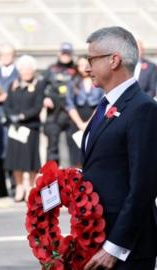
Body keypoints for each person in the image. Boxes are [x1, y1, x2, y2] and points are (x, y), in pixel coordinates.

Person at [81, 26, 157, 270]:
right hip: (97, 237)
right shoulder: (104, 106)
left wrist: (115, 247)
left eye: (91, 59)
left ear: (114, 60)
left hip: (125, 248)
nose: (86, 67)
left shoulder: (142, 108)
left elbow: (143, 186)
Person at [3, 55, 43, 202]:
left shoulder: (39, 85)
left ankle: (30, 188)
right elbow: (7, 105)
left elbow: (38, 107)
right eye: (23, 69)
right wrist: (12, 116)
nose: (26, 71)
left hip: (30, 127)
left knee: (31, 160)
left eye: (29, 68)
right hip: (16, 129)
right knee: (15, 159)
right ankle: (19, 187)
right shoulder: (13, 85)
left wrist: (22, 116)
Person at [0, 43, 19, 198]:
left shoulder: (19, 73)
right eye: (3, 54)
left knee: (12, 153)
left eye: (9, 54)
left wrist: (8, 97)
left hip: (11, 118)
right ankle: (1, 188)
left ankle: (15, 187)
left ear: (13, 55)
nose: (6, 57)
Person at [42, 42, 78, 165]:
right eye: (63, 53)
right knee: (52, 146)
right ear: (59, 53)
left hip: (72, 113)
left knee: (73, 145)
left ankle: (73, 177)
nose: (65, 55)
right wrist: (45, 98)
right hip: (54, 113)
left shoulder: (77, 69)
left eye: (68, 53)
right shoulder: (50, 69)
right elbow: (40, 88)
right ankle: (50, 177)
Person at [65, 56, 104, 167]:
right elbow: (69, 104)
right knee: (76, 156)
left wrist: (89, 123)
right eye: (80, 65)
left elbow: (102, 102)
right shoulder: (73, 82)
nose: (83, 68)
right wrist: (80, 124)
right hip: (77, 120)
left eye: (85, 65)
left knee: (92, 154)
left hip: (95, 118)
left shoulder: (99, 80)